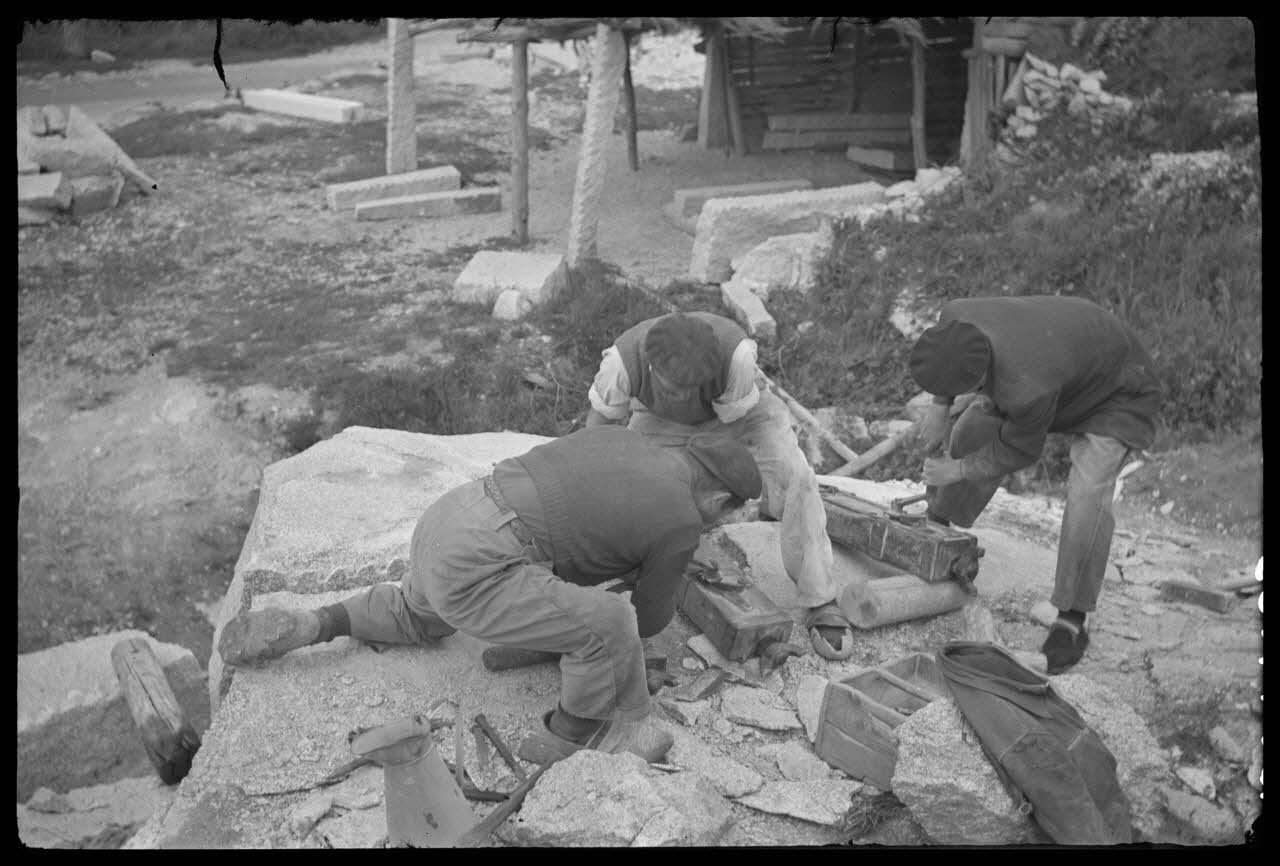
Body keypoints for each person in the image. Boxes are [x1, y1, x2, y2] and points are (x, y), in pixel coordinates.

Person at [217, 425, 762, 764]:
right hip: (482, 563)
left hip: (453, 517)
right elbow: (644, 620)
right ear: (716, 495)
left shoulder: (626, 440)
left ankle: (320, 623)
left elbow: (582, 507)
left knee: (418, 612)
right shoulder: (681, 519)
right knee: (607, 623)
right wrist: (666, 564)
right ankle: (576, 736)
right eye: (727, 511)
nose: (721, 521)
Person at [908, 295, 1162, 674]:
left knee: (1087, 495)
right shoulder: (955, 319)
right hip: (1068, 366)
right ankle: (939, 532)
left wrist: (955, 471)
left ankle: (1073, 620)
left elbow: (1018, 451)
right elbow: (952, 372)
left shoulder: (1027, 386)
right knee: (972, 429)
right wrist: (940, 407)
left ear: (980, 376)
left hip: (1119, 393)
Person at [584, 311, 856, 660]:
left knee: (796, 475)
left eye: (688, 390)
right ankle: (637, 568)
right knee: (636, 486)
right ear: (651, 367)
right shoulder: (621, 364)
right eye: (672, 388)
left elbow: (729, 439)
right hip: (659, 419)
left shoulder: (738, 359)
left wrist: (708, 495)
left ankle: (819, 595)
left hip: (742, 411)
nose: (681, 397)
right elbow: (596, 434)